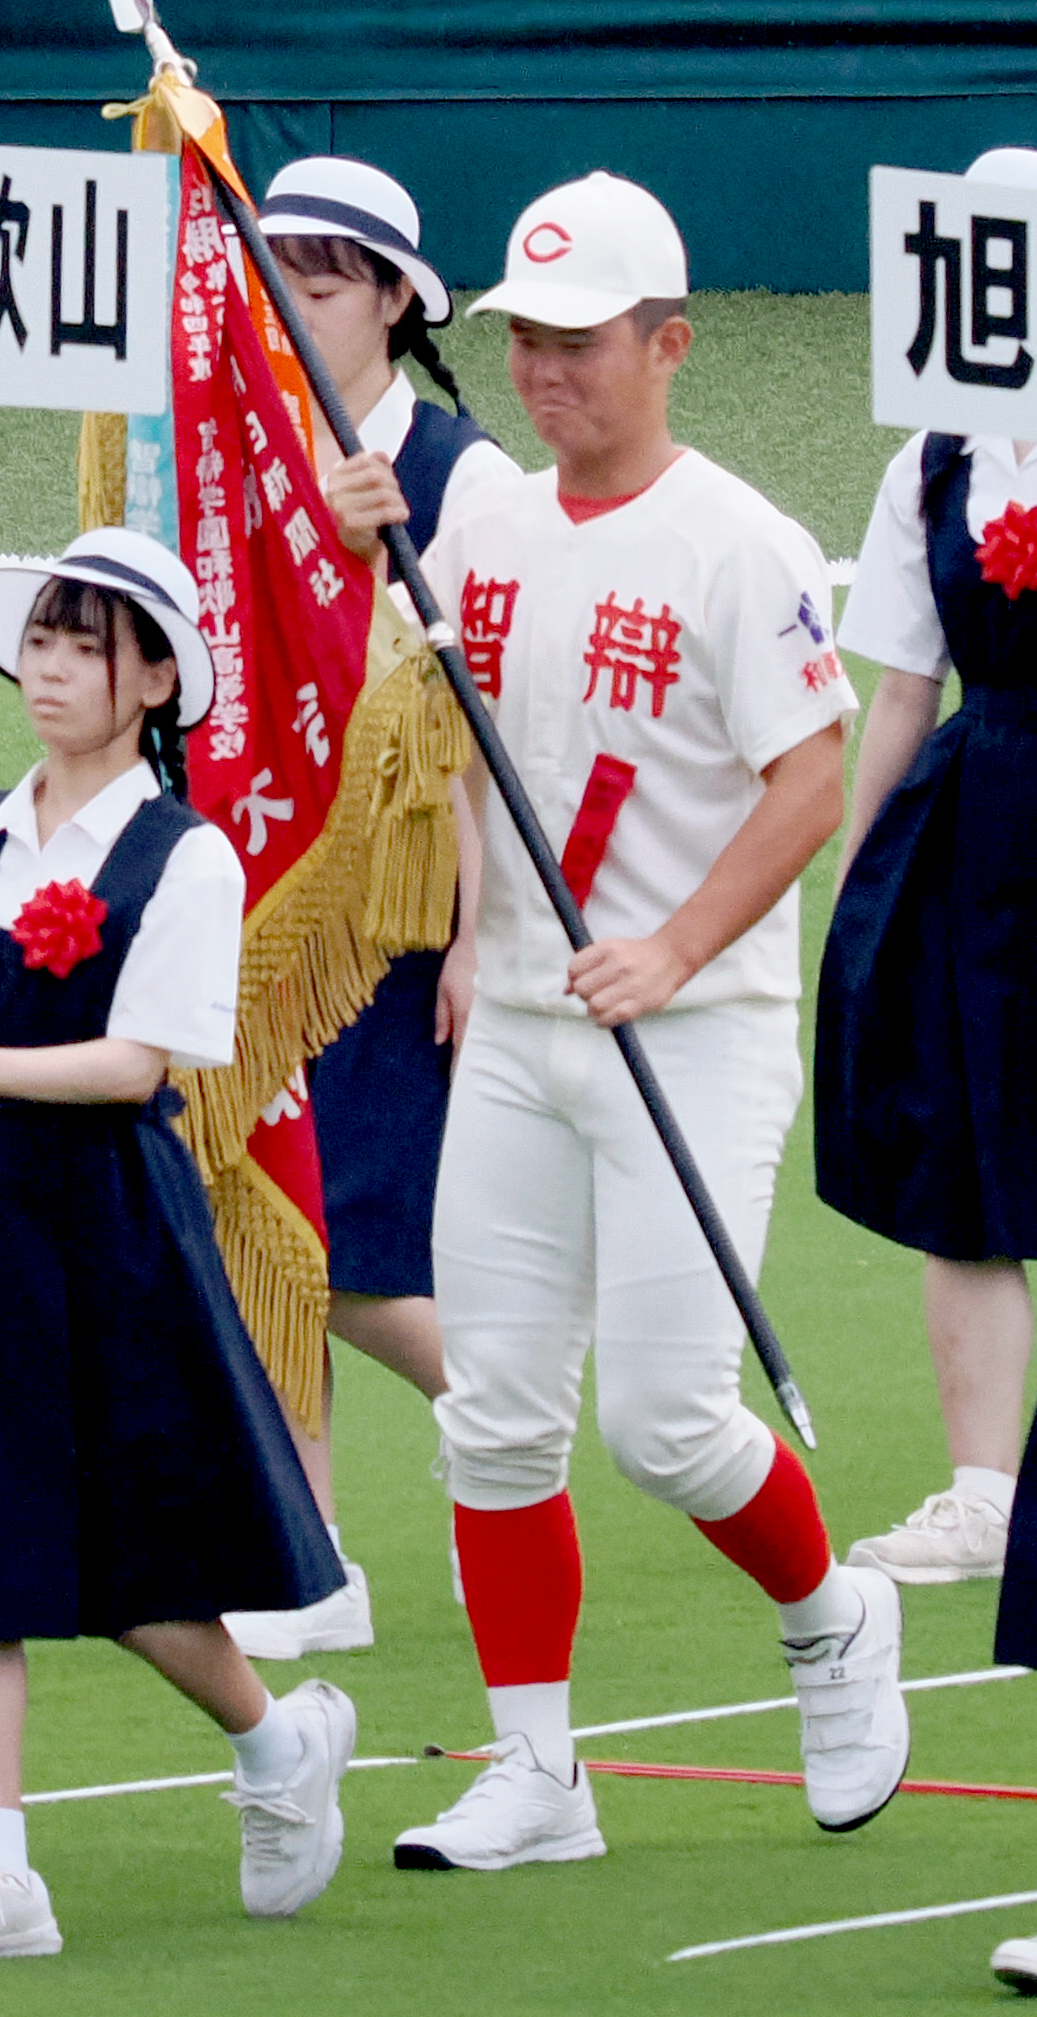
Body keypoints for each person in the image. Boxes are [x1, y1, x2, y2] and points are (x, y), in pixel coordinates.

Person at [390, 172, 903, 1875]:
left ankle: (829, 1621)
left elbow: (808, 775)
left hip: (689, 1027)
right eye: (522, 341)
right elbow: (462, 740)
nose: (542, 371)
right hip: (523, 1026)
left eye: (577, 341)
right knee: (493, 1412)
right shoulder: (484, 527)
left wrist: (672, 948)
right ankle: (535, 1770)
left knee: (665, 1421)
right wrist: (475, 935)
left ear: (666, 345)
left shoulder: (737, 541)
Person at [0, 530, 357, 1964]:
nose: (51, 671)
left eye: (87, 646)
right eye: (43, 642)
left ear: (156, 680)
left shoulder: (187, 858)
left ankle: (273, 1741)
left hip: (112, 1220)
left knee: (133, 1558)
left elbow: (140, 1067)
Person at [223, 157, 520, 1660]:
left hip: (397, 915)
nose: (294, 304)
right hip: (266, 889)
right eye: (274, 276)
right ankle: (313, 1549)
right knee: (263, 1222)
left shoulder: (466, 479)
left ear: (399, 301)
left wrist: (477, 934)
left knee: (350, 1257)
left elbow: (495, 726)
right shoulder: (248, 451)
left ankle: (501, 1427)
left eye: (326, 280)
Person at [818, 147, 1037, 1590]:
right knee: (967, 1156)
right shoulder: (937, 456)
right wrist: (851, 898)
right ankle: (984, 1495)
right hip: (983, 822)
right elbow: (904, 684)